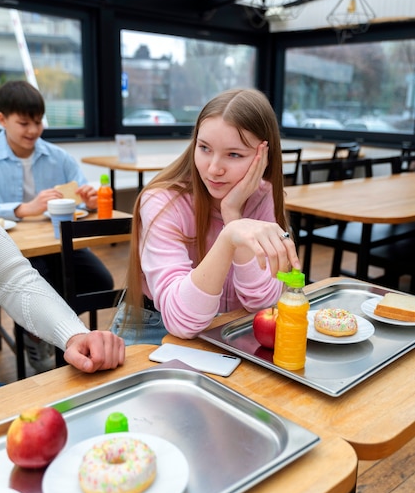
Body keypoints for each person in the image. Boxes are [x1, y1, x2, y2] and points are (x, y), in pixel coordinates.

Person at [112, 88, 300, 345]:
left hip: (232, 328)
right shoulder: (162, 200)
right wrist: (230, 237)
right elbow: (182, 323)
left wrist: (233, 214)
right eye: (204, 148)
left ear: (263, 157)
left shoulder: (261, 194)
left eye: (234, 154)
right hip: (155, 328)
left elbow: (262, 302)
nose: (214, 169)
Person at [0, 80, 114, 372]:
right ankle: (36, 333)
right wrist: (23, 208)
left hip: (55, 241)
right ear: (1, 119)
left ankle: (43, 329)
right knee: (41, 276)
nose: (33, 131)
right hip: (12, 250)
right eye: (23, 123)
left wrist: (88, 199)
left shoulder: (57, 156)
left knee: (100, 281)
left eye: (38, 122)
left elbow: (83, 190)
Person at [0, 224, 125, 377]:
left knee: (98, 280)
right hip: (28, 240)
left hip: (47, 234)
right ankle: (35, 335)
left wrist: (74, 335)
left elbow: (13, 278)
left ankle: (38, 334)